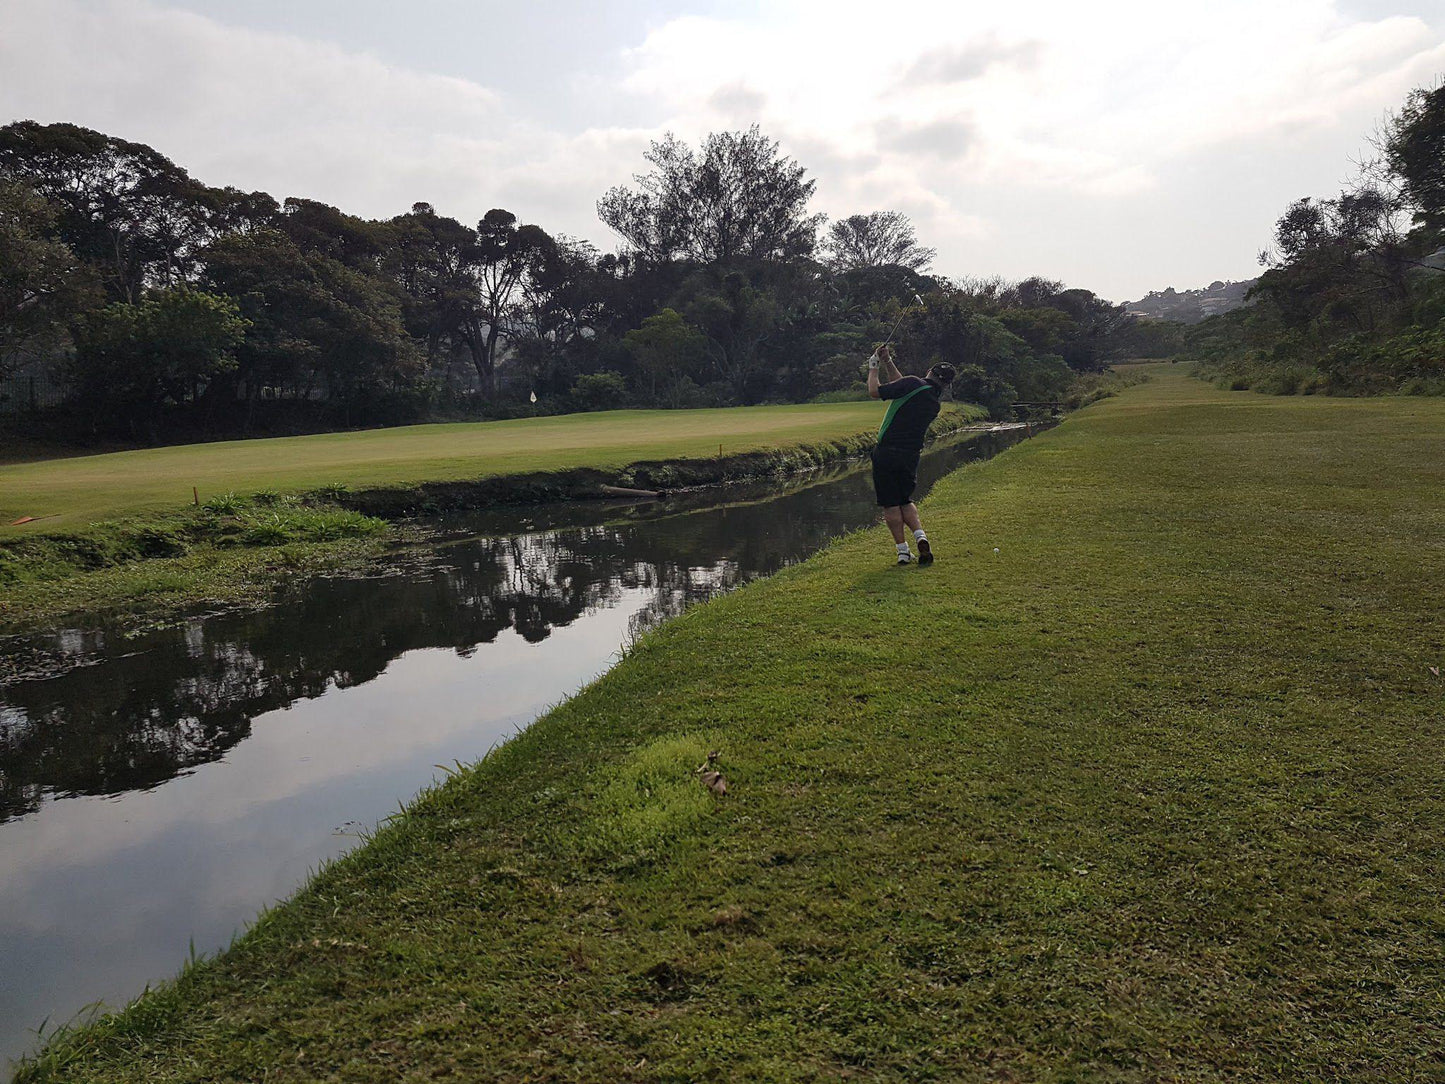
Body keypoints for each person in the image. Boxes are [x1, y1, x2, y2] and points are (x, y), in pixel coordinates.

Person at [866, 345, 957, 566]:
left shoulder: (914, 383)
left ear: (930, 372)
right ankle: (920, 536)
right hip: (910, 455)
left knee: (890, 504)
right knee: (905, 500)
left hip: (887, 452)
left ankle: (903, 552)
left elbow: (874, 391)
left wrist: (873, 366)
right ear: (945, 384)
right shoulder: (933, 402)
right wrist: (888, 361)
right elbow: (902, 385)